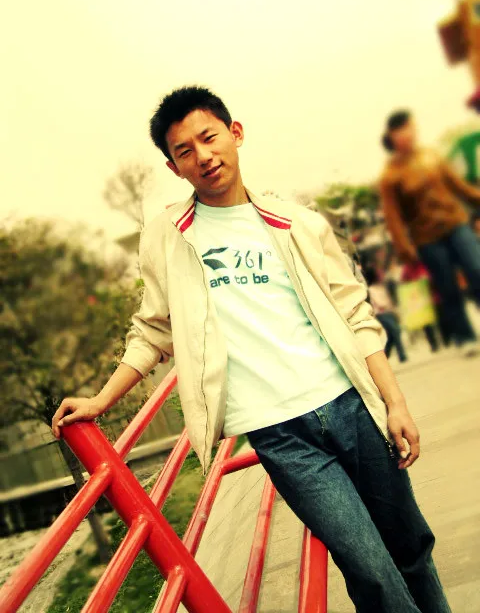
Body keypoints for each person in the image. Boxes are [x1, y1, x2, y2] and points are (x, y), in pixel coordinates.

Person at [52, 87, 451, 612]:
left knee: (411, 549)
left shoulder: (297, 222)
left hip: (352, 406)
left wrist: (394, 403)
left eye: (209, 137)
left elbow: (355, 315)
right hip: (281, 434)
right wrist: (101, 400)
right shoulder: (168, 238)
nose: (203, 156)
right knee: (369, 568)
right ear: (174, 168)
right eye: (185, 151)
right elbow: (152, 330)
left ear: (235, 133)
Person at [379, 110, 480, 357]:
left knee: (476, 269)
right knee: (447, 287)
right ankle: (465, 336)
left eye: (411, 128)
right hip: (427, 239)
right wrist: (404, 248)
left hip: (456, 224)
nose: (409, 134)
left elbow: (459, 186)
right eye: (403, 130)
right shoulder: (390, 176)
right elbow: (393, 217)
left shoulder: (432, 156)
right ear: (393, 136)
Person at [363, 266, 408, 362]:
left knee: (392, 335)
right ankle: (402, 355)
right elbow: (379, 303)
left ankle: (385, 355)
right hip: (382, 314)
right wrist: (387, 305)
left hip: (389, 312)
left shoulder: (382, 287)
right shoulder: (371, 289)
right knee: (395, 331)